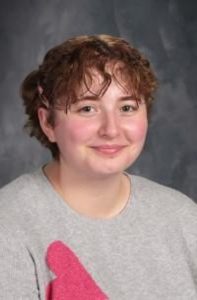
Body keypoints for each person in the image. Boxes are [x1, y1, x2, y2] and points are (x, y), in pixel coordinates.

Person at [0, 34, 197, 300]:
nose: (111, 129)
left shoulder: (183, 218)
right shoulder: (10, 223)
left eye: (127, 107)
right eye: (87, 109)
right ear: (48, 123)